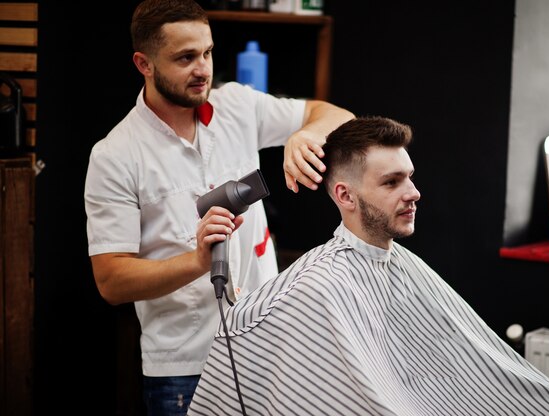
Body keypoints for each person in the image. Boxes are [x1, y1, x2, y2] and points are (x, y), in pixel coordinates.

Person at [188, 116, 549, 416]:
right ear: (345, 196)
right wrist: (248, 309)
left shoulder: (401, 266)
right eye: (392, 182)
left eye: (409, 176)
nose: (414, 192)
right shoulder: (317, 285)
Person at [83, 0, 354, 414]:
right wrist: (196, 262)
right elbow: (111, 281)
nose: (203, 68)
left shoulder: (238, 107)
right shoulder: (115, 155)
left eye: (208, 52)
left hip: (268, 345)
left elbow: (335, 114)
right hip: (185, 367)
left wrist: (307, 135)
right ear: (144, 63)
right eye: (186, 57)